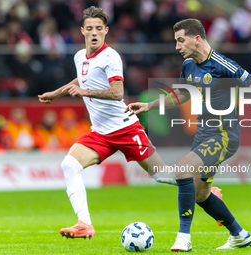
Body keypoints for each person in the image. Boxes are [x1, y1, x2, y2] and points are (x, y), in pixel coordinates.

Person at [125, 18, 251, 252]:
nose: (177, 47)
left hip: (224, 136)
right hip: (203, 135)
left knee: (183, 169)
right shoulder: (188, 65)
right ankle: (239, 235)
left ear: (197, 39)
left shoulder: (222, 64)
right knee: (200, 194)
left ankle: (183, 238)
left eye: (180, 40)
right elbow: (183, 95)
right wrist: (149, 105)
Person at [37, 6, 173, 240]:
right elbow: (81, 78)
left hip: (125, 128)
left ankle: (205, 187)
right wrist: (56, 93)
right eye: (89, 29)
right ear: (82, 31)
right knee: (70, 165)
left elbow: (118, 92)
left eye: (99, 29)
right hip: (100, 133)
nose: (94, 33)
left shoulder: (110, 57)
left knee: (162, 175)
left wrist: (84, 91)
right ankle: (84, 224)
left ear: (106, 31)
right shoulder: (80, 56)